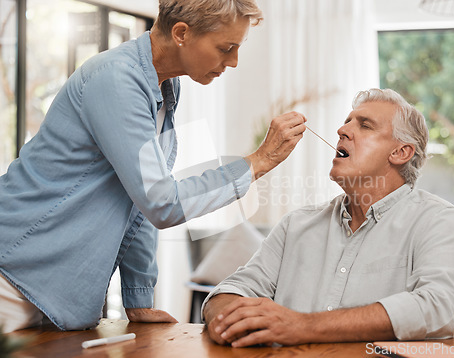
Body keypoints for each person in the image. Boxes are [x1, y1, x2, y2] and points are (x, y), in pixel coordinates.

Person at [0, 0, 307, 333]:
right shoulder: (117, 79)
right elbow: (162, 201)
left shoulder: (165, 86)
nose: (232, 62)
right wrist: (257, 162)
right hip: (14, 269)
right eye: (226, 47)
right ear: (181, 33)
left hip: (47, 287)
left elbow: (138, 201)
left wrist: (138, 297)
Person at [202, 88, 454, 347]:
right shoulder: (296, 224)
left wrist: (303, 326)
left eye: (365, 125)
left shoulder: (437, 220)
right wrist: (226, 319)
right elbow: (230, 291)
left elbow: (438, 307)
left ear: (401, 152)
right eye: (347, 122)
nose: (342, 130)